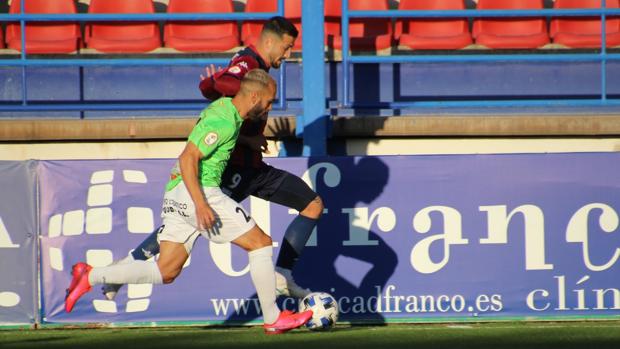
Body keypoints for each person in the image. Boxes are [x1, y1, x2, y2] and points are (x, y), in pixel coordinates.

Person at [65, 69, 313, 335]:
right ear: (254, 97)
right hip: (199, 191)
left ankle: (90, 276)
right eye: (269, 101)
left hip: (176, 192)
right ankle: (273, 318)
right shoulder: (225, 122)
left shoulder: (225, 110)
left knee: (166, 271)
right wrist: (201, 204)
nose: (269, 108)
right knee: (260, 244)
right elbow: (188, 158)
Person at [102, 16, 322, 301]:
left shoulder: (258, 68)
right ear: (270, 41)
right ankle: (123, 269)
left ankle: (282, 274)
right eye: (287, 47)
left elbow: (228, 99)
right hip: (232, 169)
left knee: (313, 204)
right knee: (183, 227)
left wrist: (249, 134)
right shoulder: (248, 63)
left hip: (255, 168)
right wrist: (215, 83)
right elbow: (230, 84)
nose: (289, 54)